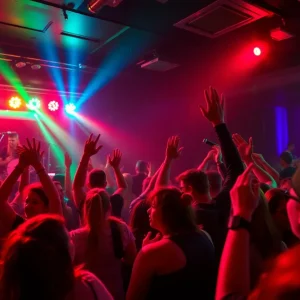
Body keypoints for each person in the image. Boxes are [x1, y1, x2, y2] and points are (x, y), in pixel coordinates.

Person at [127, 187, 216, 300]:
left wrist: (144, 253)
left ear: (168, 212)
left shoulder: (152, 253)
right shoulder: (205, 235)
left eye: (153, 206)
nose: (148, 210)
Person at [0, 214, 113, 300]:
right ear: (63, 253)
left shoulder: (10, 287)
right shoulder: (84, 285)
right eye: (69, 239)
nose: (72, 242)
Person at [70, 188, 136, 300]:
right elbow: (132, 260)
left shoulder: (74, 237)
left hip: (85, 296)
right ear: (109, 207)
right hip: (114, 295)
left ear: (85, 209)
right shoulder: (122, 230)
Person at [0, 138, 62, 238]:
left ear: (47, 207)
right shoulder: (19, 225)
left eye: (35, 202)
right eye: (27, 201)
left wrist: (38, 165)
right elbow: (1, 199)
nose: (28, 206)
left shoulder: (51, 227)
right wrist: (21, 166)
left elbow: (54, 198)